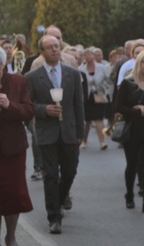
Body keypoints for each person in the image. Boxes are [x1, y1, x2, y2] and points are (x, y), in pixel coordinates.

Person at [25, 35, 85, 234]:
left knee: (70, 172)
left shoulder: (72, 74)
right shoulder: (32, 77)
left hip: (68, 131)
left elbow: (79, 105)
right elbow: (28, 106)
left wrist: (80, 133)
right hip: (46, 132)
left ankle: (58, 201)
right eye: (50, 48)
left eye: (57, 47)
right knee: (50, 175)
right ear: (42, 53)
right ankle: (54, 217)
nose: (55, 50)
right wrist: (44, 110)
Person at [116, 49, 144, 213]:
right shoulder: (128, 83)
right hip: (132, 128)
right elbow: (118, 106)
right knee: (132, 164)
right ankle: (129, 194)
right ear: (138, 63)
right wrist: (135, 110)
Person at [0, 48, 34, 246]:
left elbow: (29, 111)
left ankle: (10, 236)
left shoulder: (18, 81)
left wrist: (9, 105)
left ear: (3, 65)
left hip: (12, 147)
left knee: (13, 192)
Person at [79, 47, 112, 150]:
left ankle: (102, 142)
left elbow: (109, 79)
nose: (88, 57)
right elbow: (79, 83)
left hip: (99, 96)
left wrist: (105, 90)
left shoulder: (101, 67)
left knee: (99, 119)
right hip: (86, 97)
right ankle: (84, 141)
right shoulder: (81, 69)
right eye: (86, 55)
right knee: (87, 120)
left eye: (90, 54)